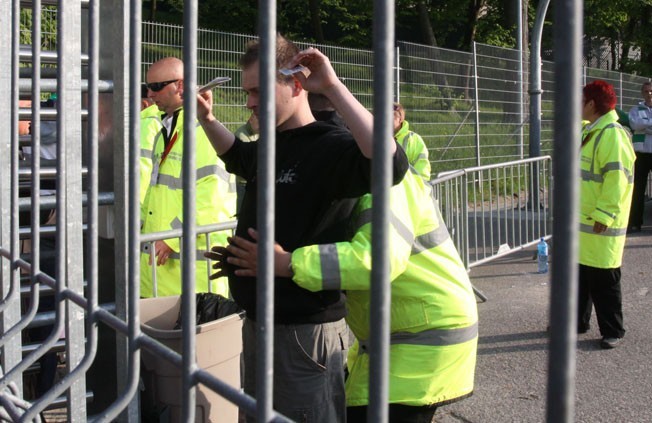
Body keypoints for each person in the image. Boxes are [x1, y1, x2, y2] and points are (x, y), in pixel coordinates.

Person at [196, 35, 409, 422]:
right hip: (259, 322)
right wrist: (208, 120)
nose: (249, 102)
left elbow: (390, 165)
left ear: (296, 85)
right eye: (247, 92)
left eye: (259, 90)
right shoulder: (272, 145)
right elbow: (236, 156)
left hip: (303, 334)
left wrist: (331, 85)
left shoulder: (332, 146)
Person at [140, 57, 236, 298]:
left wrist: (173, 237)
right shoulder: (167, 131)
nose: (150, 94)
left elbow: (211, 197)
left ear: (180, 86)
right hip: (163, 275)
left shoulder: (202, 132)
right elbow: (156, 191)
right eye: (148, 87)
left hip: (195, 278)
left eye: (156, 86)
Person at [578, 80, 635, 349]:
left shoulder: (611, 134)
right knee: (580, 275)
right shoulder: (592, 130)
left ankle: (613, 330)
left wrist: (605, 214)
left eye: (581, 100)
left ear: (591, 104)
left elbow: (617, 179)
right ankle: (576, 322)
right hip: (584, 221)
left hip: (599, 223)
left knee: (604, 278)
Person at [626, 81, 652, 233]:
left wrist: (646, 125)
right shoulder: (636, 109)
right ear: (642, 93)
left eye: (651, 91)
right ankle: (635, 222)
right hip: (641, 154)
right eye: (646, 91)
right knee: (637, 189)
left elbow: (641, 125)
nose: (649, 93)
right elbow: (635, 125)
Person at [393, 102, 431, 181]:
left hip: (404, 191)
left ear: (400, 119)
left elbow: (422, 171)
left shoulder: (413, 139)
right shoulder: (372, 136)